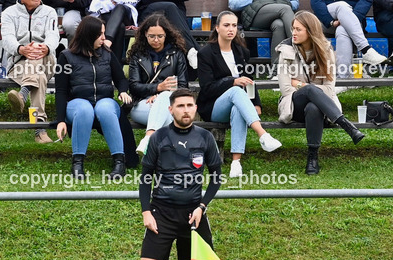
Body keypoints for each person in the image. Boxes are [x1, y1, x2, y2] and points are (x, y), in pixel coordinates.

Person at [118, 87, 231, 260]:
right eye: (180, 106)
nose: (186, 110)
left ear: (195, 108)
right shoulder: (158, 138)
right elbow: (146, 178)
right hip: (162, 213)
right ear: (171, 110)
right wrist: (146, 211)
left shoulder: (205, 138)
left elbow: (215, 179)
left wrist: (202, 206)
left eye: (190, 105)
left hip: (194, 215)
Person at [277, 11, 365, 174]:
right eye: (293, 29)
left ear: (310, 32)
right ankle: (346, 125)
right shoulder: (286, 51)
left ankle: (312, 158)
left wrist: (299, 83)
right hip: (293, 105)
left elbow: (329, 89)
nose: (293, 33)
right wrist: (306, 87)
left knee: (313, 107)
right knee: (310, 90)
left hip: (321, 108)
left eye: (298, 30)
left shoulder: (326, 51)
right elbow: (285, 89)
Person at [197, 10, 282, 178]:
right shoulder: (206, 53)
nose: (231, 29)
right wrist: (232, 81)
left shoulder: (241, 51)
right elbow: (207, 88)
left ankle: (236, 163)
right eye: (226, 25)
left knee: (238, 110)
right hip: (213, 106)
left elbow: (248, 79)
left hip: (237, 103)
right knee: (235, 89)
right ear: (217, 28)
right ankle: (263, 135)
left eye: (234, 25)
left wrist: (256, 102)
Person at [55, 15, 134, 179]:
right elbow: (61, 91)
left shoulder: (107, 53)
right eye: (100, 35)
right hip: (77, 104)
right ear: (88, 35)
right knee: (84, 109)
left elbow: (120, 79)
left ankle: (119, 162)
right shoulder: (66, 57)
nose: (104, 38)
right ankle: (77, 162)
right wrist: (61, 119)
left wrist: (123, 91)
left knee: (105, 108)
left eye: (104, 33)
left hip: (104, 102)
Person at [3, 0, 59, 144]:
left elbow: (53, 36)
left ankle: (22, 94)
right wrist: (21, 49)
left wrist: (45, 47)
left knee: (36, 49)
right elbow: (7, 39)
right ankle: (39, 129)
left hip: (46, 59)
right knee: (39, 78)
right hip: (18, 64)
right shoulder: (8, 13)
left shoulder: (49, 12)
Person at [128, 14, 190, 157]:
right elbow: (134, 86)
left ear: (166, 35)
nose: (156, 40)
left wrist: (160, 96)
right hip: (142, 103)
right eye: (151, 36)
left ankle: (149, 140)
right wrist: (157, 88)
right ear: (145, 34)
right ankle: (173, 154)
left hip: (170, 102)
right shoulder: (137, 55)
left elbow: (182, 86)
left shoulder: (177, 54)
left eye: (160, 36)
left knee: (165, 100)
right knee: (168, 115)